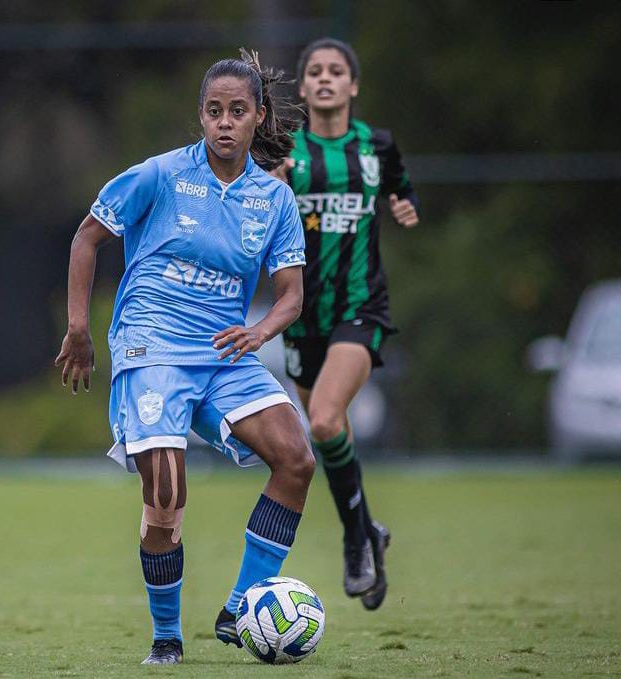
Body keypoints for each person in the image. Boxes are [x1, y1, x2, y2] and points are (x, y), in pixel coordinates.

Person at [55, 50, 315, 665]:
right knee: (167, 494)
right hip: (152, 346)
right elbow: (88, 236)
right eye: (213, 110)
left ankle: (242, 606)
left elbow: (292, 296)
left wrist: (260, 331)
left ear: (256, 118)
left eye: (238, 111)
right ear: (200, 117)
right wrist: (79, 329)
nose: (225, 122)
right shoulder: (162, 175)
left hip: (225, 351)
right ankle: (167, 639)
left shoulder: (273, 200)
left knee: (297, 459)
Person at [274, 38, 420, 611]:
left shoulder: (377, 146)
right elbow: (260, 221)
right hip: (302, 314)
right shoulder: (287, 151)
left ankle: (356, 541)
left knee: (327, 421)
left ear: (353, 86)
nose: (327, 79)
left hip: (362, 308)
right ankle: (366, 531)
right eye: (316, 72)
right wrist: (278, 188)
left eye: (337, 71)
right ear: (305, 88)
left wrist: (405, 205)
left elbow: (401, 189)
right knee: (325, 432)